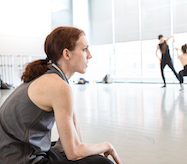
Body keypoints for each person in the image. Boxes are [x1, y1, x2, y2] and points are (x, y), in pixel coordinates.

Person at [0, 26, 122, 164]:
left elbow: (76, 140)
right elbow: (74, 153)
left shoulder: (55, 78)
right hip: (19, 160)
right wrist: (106, 145)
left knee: (73, 150)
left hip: (14, 153)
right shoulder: (58, 86)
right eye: (84, 49)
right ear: (67, 54)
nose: (90, 55)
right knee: (103, 163)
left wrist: (81, 150)